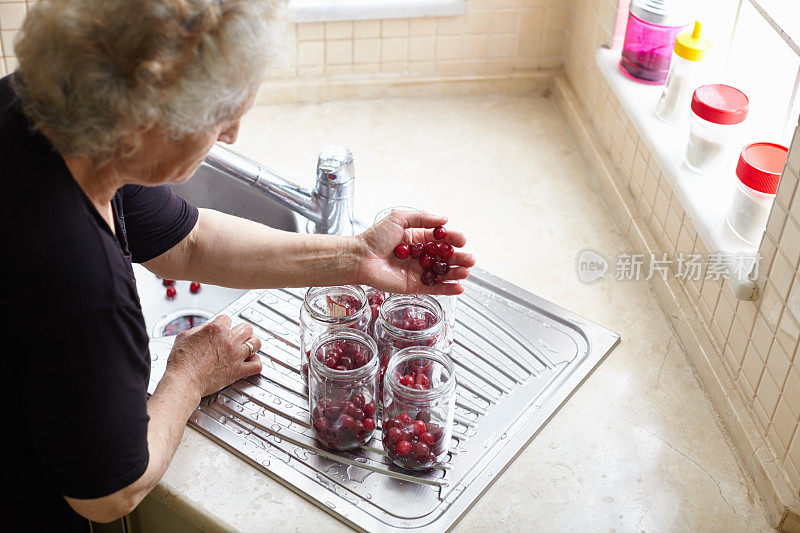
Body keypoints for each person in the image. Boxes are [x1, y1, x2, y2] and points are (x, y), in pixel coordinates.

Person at [0, 0, 475, 529]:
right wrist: (189, 373)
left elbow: (192, 241)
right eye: (218, 113)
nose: (231, 134)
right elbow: (110, 492)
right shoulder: (76, 273)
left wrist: (356, 256)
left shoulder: (44, 112)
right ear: (142, 118)